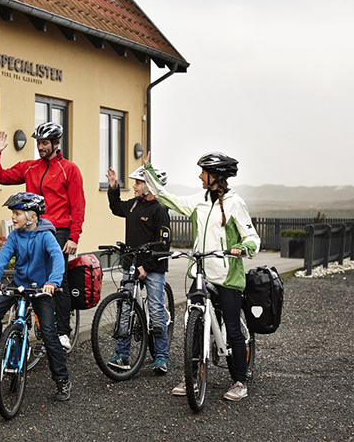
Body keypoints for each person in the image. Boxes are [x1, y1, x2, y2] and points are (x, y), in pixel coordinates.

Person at [137, 151, 260, 402]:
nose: (200, 176)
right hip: (201, 272)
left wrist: (243, 248)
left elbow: (253, 239)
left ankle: (239, 381)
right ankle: (190, 376)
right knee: (193, 326)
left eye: (204, 172)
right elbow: (166, 198)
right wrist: (148, 171)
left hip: (227, 276)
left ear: (217, 176)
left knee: (233, 329)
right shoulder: (200, 201)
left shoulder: (235, 203)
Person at [0, 124, 85, 350]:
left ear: (55, 144)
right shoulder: (30, 167)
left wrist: (74, 237)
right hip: (33, 227)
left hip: (58, 230)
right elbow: (1, 176)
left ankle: (62, 333)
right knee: (28, 274)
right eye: (38, 143)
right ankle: (30, 319)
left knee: (59, 280)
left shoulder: (69, 169)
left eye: (44, 143)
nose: (40, 147)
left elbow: (78, 205)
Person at [0, 192, 72, 401]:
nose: (13, 218)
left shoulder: (46, 236)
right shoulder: (15, 236)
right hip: (20, 285)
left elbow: (58, 259)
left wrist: (52, 283)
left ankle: (62, 380)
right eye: (13, 213)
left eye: (17, 213)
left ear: (32, 217)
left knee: (50, 334)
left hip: (42, 289)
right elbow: (2, 258)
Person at [104, 165, 172, 375]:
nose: (134, 186)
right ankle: (122, 355)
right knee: (125, 310)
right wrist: (113, 187)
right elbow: (116, 207)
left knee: (156, 309)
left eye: (138, 183)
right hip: (131, 265)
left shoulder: (160, 211)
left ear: (149, 186)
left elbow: (164, 245)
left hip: (153, 268)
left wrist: (147, 266)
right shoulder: (133, 205)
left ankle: (161, 357)